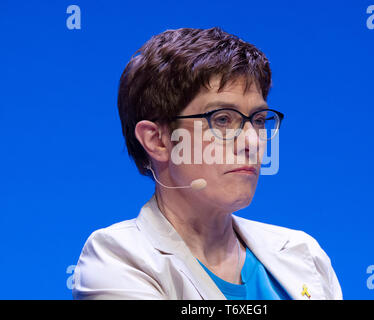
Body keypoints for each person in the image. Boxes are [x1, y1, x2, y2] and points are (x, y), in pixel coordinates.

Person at [72, 27, 342, 300]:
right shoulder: (117, 259)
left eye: (259, 120)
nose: (252, 141)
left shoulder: (304, 253)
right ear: (158, 140)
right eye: (223, 119)